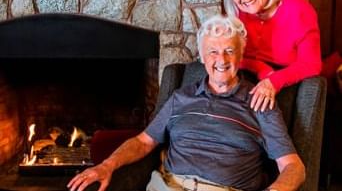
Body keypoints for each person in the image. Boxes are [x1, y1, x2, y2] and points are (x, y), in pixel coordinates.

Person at [67, 15, 305, 191]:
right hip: (168, 186)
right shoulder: (181, 97)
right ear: (202, 57)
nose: (221, 59)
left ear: (240, 56)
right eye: (212, 52)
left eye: (229, 51)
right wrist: (106, 166)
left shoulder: (260, 101)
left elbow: (294, 166)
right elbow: (142, 142)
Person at [223, 0, 322, 112]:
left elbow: (311, 64)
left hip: (286, 80)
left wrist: (274, 80)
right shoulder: (238, 11)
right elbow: (230, 55)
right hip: (250, 73)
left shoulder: (299, 10)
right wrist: (261, 69)